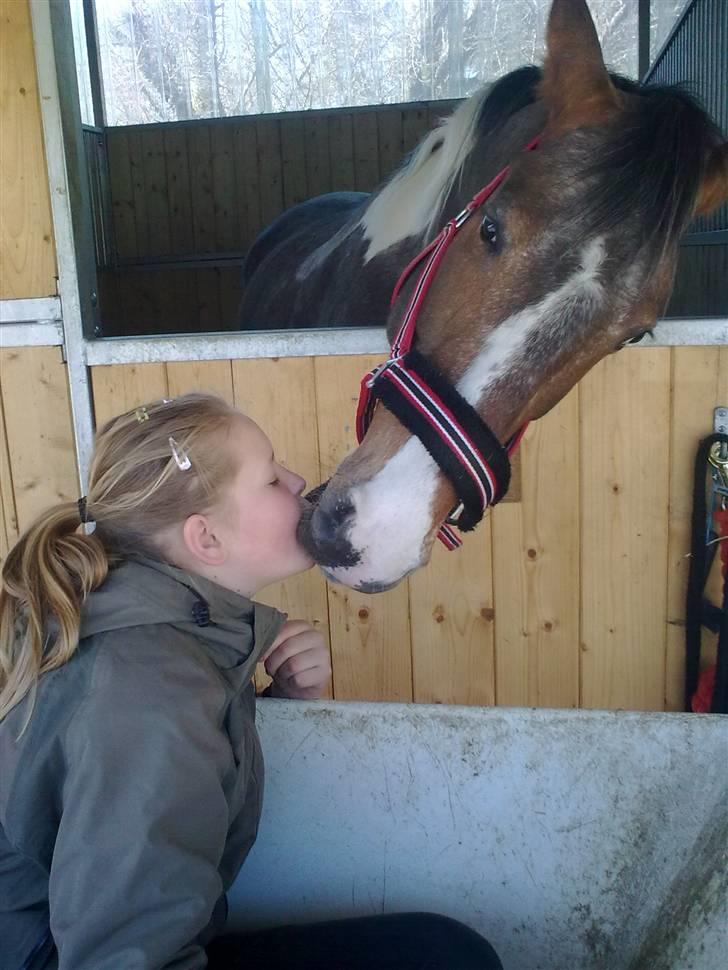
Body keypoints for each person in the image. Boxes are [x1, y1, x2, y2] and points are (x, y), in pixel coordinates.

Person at [0, 392, 503, 970]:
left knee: (442, 953)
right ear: (206, 540)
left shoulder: (169, 636)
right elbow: (118, 953)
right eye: (270, 478)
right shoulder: (148, 694)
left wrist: (281, 702)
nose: (297, 482)